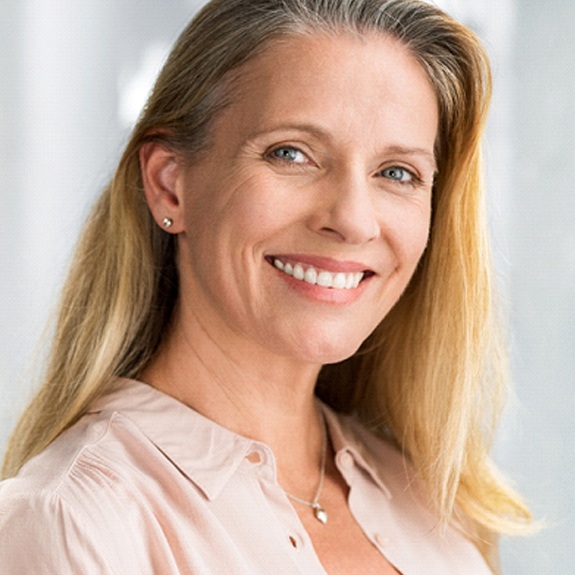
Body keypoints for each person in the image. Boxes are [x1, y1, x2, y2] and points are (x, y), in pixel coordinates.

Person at [0, 0, 533, 573]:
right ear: (169, 185)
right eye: (292, 153)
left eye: (396, 172)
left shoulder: (436, 504)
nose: (353, 220)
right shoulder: (71, 523)